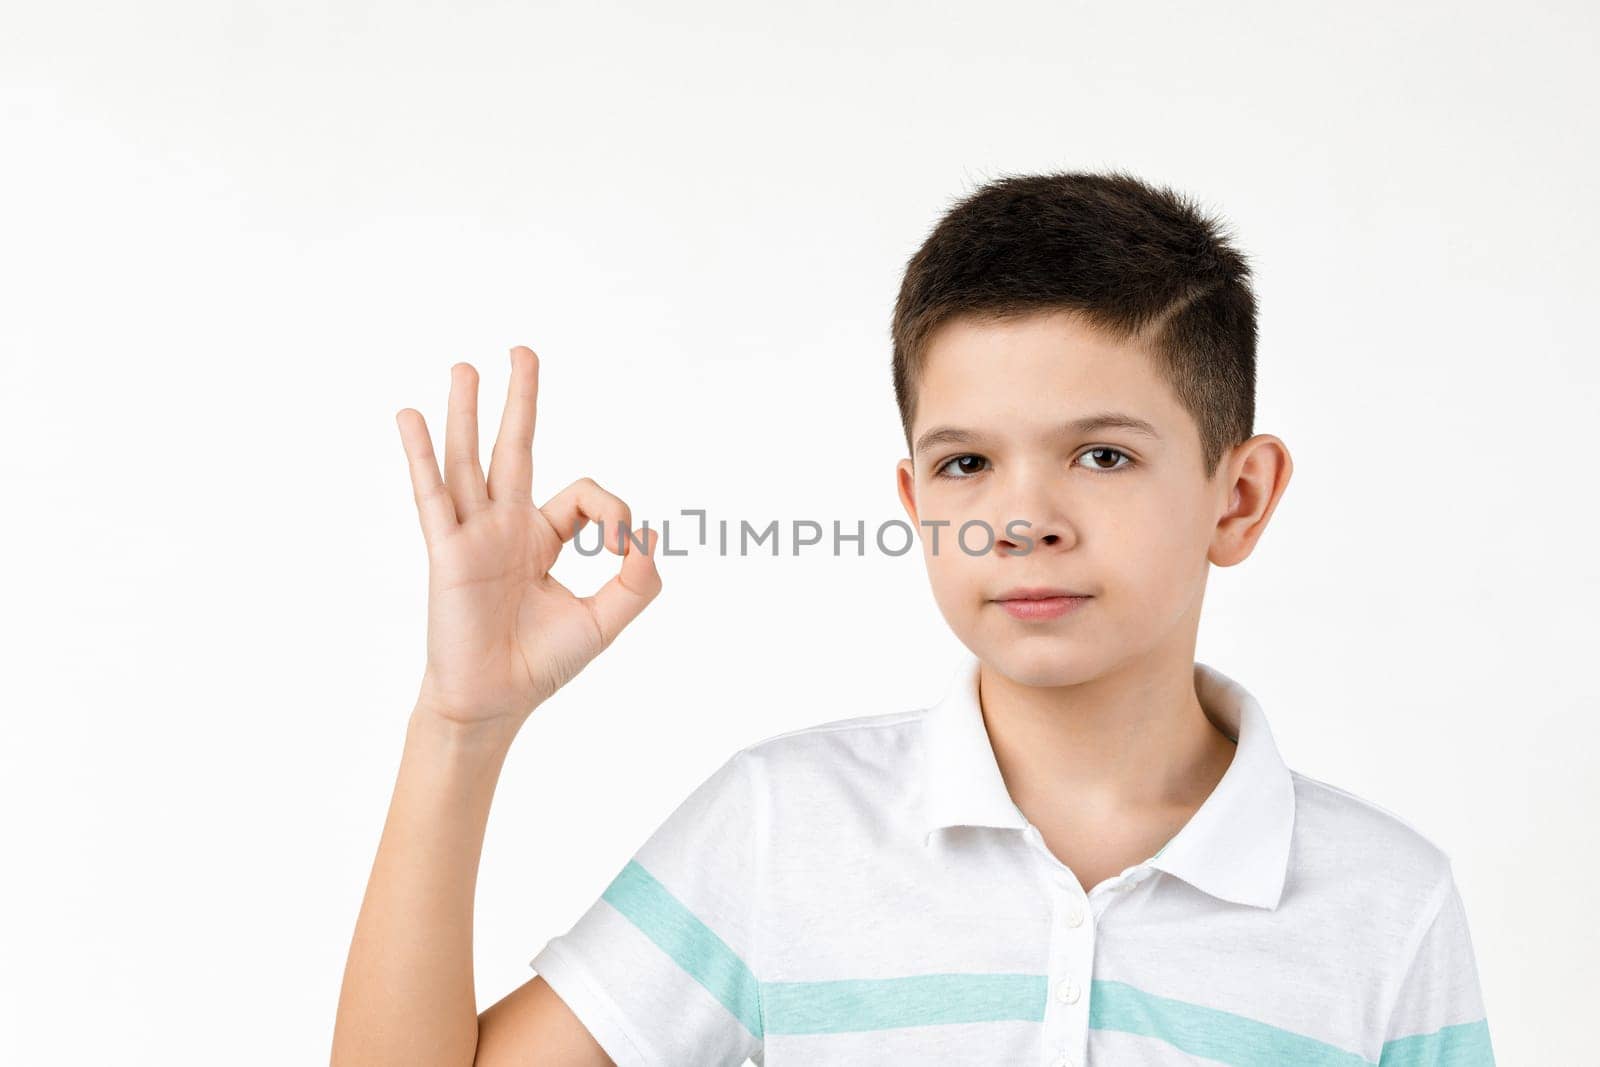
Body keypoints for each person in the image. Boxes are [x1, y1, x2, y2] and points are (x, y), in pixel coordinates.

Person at [332, 171, 1494, 1066]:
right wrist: (460, 724)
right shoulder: (780, 827)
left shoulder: (1385, 903)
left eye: (1101, 454)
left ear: (1236, 496)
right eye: (966, 463)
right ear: (913, 500)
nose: (1023, 517)